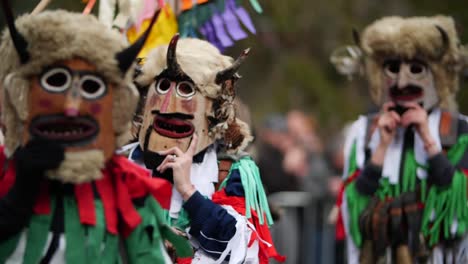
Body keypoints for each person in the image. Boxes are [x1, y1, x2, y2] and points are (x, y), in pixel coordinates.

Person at [0, 3, 192, 263]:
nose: (71, 108)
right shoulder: (5, 170)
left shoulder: (128, 189)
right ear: (20, 92)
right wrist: (17, 199)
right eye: (56, 81)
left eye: (91, 87)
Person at [126, 34, 284, 263]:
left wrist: (188, 191)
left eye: (186, 89)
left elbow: (236, 247)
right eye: (161, 86)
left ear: (214, 110)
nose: (169, 103)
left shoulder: (229, 170)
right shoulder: (122, 164)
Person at [332, 16, 468, 263]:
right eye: (393, 68)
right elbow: (353, 203)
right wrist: (382, 146)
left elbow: (459, 201)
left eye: (416, 69)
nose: (402, 81)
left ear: (437, 76)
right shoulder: (363, 131)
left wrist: (428, 138)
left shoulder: (460, 130)